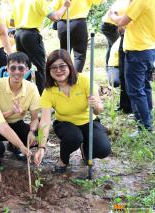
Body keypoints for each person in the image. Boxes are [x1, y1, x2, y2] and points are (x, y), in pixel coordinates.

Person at [33, 49, 111, 173]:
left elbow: (98, 110)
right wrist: (41, 146)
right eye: (53, 67)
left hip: (88, 121)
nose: (58, 70)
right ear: (48, 70)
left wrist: (95, 105)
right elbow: (45, 122)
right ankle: (63, 159)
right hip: (65, 124)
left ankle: (85, 151)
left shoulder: (84, 80)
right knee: (73, 137)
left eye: (62, 66)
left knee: (103, 149)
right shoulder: (48, 91)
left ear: (69, 65)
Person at [109, 0, 155, 132]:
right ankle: (147, 121)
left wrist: (112, 15)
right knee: (144, 86)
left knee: (135, 90)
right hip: (148, 49)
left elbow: (122, 21)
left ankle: (144, 127)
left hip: (138, 51)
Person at [10, 0, 70, 94]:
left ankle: (27, 95)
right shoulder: (39, 1)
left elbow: (12, 22)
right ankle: (43, 97)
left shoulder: (18, 1)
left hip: (18, 35)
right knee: (41, 67)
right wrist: (64, 6)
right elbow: (55, 17)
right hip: (31, 35)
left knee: (24, 67)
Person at [0, 52, 40, 160]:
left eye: (21, 68)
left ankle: (13, 146)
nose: (17, 72)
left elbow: (35, 118)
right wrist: (11, 111)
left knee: (38, 138)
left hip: (16, 123)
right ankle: (1, 148)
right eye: (13, 68)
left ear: (26, 70)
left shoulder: (32, 88)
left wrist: (31, 132)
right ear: (7, 69)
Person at [51, 0, 106, 73]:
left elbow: (52, 8)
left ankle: (64, 76)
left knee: (64, 52)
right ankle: (75, 78)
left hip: (62, 24)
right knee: (79, 54)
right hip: (78, 23)